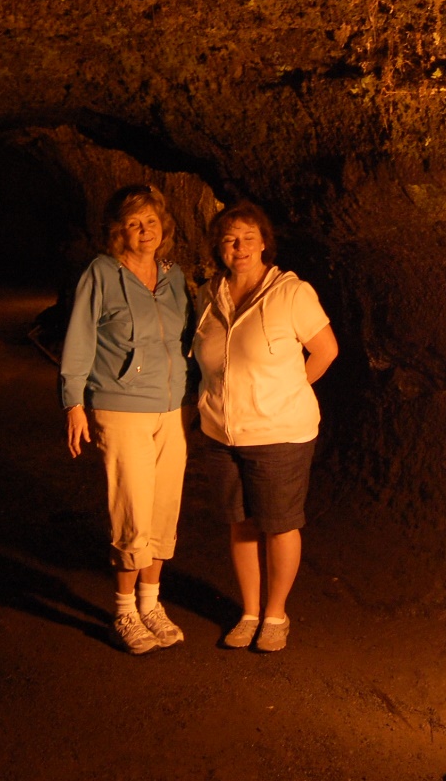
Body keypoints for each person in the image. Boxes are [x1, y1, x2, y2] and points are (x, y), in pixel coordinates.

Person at [192, 201, 338, 652]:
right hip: (222, 433)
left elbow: (326, 351)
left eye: (248, 238)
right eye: (230, 238)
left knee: (279, 524)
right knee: (240, 524)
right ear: (219, 246)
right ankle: (249, 611)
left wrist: (288, 392)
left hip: (280, 434)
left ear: (264, 244)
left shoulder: (291, 294)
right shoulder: (206, 296)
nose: (239, 247)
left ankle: (276, 614)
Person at [59, 184, 192, 654]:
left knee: (162, 513)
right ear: (120, 231)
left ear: (164, 227)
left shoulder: (174, 277)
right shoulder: (101, 273)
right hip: (120, 406)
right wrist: (74, 402)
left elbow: (188, 340)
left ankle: (151, 604)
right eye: (135, 223)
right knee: (131, 511)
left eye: (152, 221)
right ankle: (123, 611)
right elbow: (78, 339)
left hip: (170, 409)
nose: (145, 231)